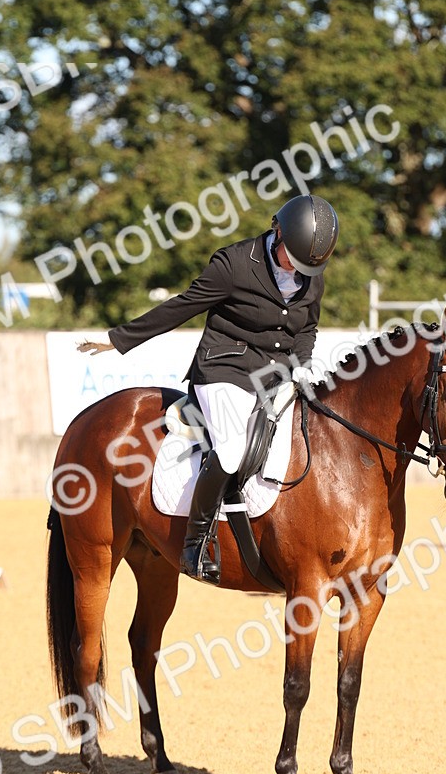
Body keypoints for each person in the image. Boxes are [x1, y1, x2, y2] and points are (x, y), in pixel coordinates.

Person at [78, 193, 339, 584]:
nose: (297, 271)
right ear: (277, 230)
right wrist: (119, 339)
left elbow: (308, 328)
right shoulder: (234, 264)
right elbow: (183, 306)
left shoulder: (310, 272)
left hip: (276, 376)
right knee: (232, 452)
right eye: (292, 259)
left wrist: (301, 365)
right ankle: (195, 542)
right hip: (225, 369)